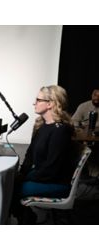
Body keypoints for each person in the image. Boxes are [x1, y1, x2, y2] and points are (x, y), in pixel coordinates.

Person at [11, 85, 77, 224]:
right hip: (43, 176)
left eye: (38, 99)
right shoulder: (42, 125)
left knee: (12, 188)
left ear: (50, 103)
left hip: (57, 183)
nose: (34, 103)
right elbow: (29, 155)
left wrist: (25, 178)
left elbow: (51, 169)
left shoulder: (61, 131)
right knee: (9, 183)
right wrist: (21, 173)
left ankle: (25, 218)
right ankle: (25, 216)